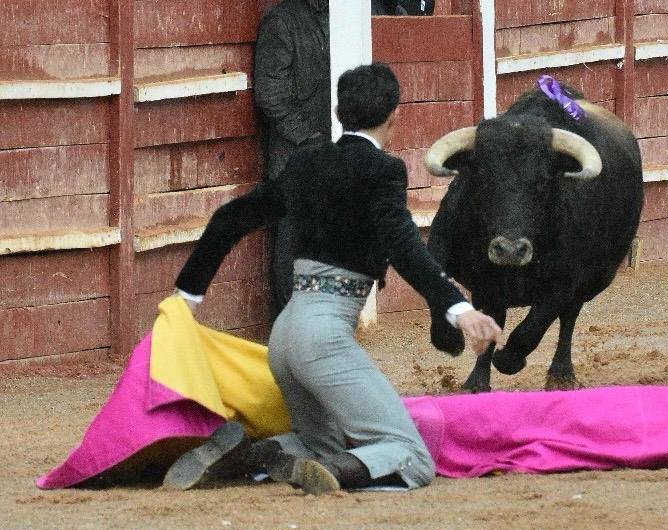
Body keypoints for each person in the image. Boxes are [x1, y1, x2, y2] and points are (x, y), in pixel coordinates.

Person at [166, 63, 502, 494]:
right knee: (411, 456)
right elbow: (403, 246)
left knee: (318, 442)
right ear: (394, 115)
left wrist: (188, 293)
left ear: (340, 110)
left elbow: (230, 218)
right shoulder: (384, 171)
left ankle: (243, 456)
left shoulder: (305, 163)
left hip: (284, 336)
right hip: (324, 338)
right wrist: (457, 307)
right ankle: (335, 475)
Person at [254, 0, 331, 323]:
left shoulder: (343, 16)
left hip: (330, 152)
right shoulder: (283, 22)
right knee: (292, 245)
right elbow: (269, 92)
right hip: (295, 159)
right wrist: (308, 137)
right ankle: (290, 328)